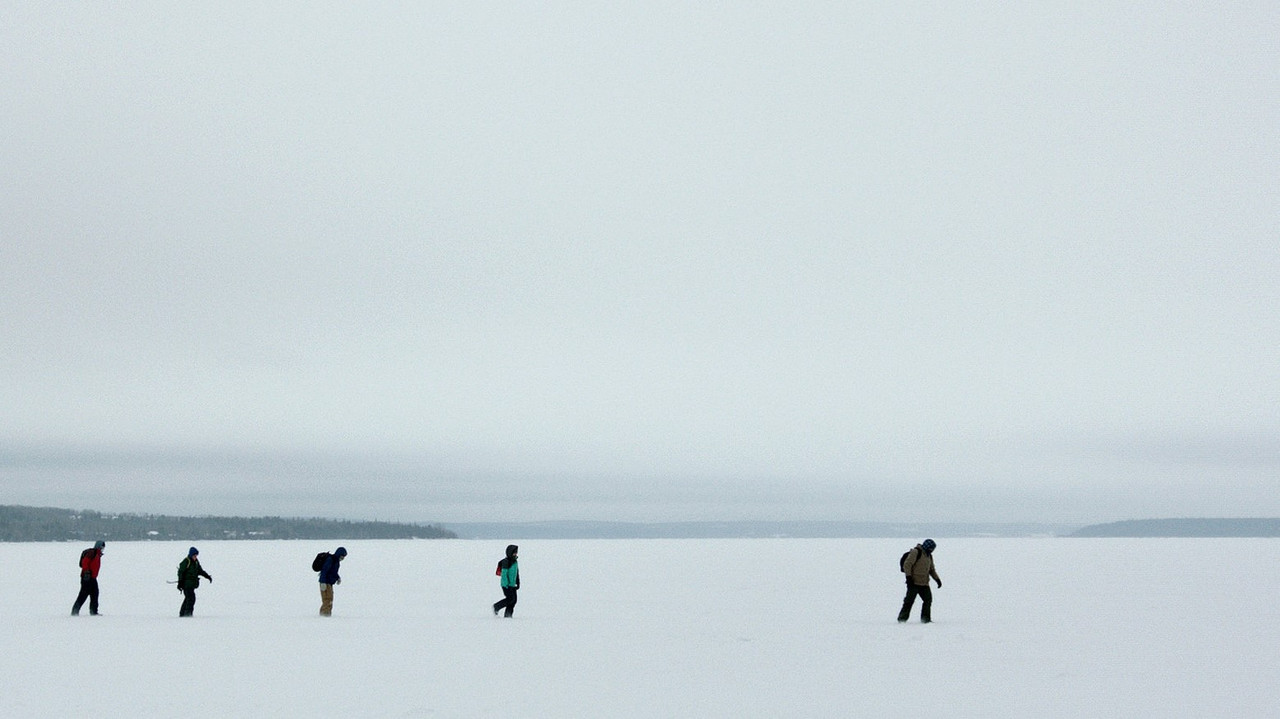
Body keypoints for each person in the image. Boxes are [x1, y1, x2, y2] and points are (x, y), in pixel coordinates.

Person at [898, 538, 942, 623]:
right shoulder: (916, 552)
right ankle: (902, 619)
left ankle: (925, 619)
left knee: (928, 600)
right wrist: (908, 577)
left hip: (924, 583)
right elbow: (907, 565)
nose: (932, 551)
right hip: (913, 582)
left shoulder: (929, 556)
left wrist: (937, 579)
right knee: (909, 601)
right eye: (931, 549)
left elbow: (931, 569)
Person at [71, 540, 105, 616]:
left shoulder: (98, 554)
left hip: (93, 578)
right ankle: (74, 612)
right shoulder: (92, 553)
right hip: (87, 578)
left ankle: (93, 611)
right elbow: (85, 562)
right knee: (83, 595)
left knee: (95, 594)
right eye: (102, 547)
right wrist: (86, 572)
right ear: (98, 546)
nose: (103, 549)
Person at [177, 546, 213, 617]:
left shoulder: (196, 562)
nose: (195, 557)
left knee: (188, 598)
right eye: (194, 555)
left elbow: (200, 570)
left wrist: (207, 576)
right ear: (191, 555)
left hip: (192, 584)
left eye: (196, 555)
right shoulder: (186, 561)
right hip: (186, 584)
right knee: (191, 598)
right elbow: (180, 572)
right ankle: (187, 614)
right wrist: (180, 582)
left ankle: (182, 614)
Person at [492, 544, 520, 618]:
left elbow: (516, 573)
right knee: (510, 599)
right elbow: (504, 575)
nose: (515, 554)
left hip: (512, 584)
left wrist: (517, 582)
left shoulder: (515, 561)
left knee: (514, 600)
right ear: (510, 552)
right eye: (514, 552)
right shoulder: (506, 562)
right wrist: (506, 585)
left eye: (516, 552)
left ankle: (508, 616)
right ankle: (496, 607)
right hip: (506, 585)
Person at [318, 546, 347, 616]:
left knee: (329, 599)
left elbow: (333, 572)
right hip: (325, 582)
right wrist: (323, 582)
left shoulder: (336, 562)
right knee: (328, 599)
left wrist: (338, 578)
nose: (343, 558)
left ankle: (327, 613)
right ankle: (324, 614)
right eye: (342, 556)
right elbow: (324, 570)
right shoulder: (331, 560)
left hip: (329, 583)